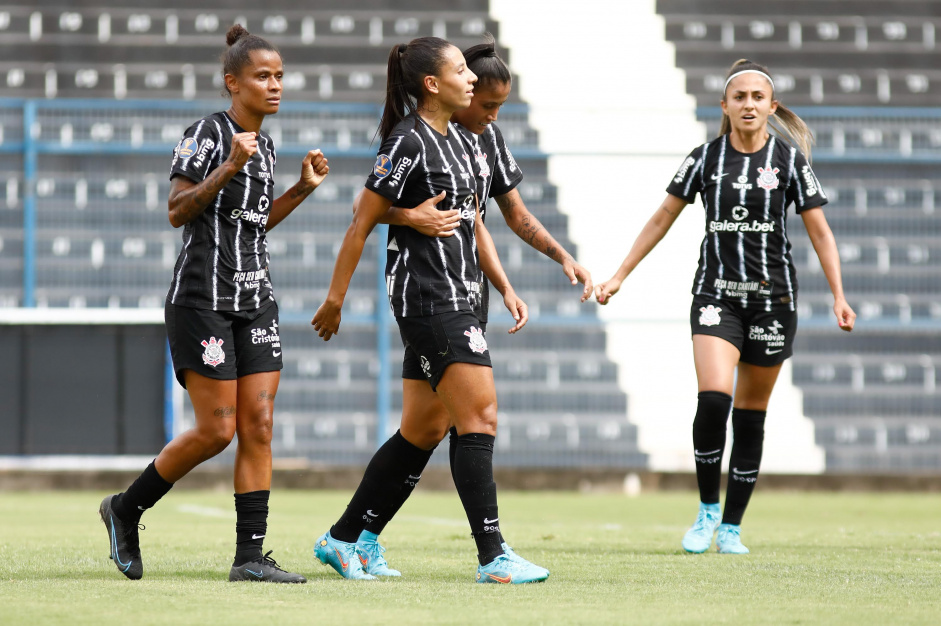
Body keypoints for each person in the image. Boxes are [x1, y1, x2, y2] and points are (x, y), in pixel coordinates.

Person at [336, 37, 591, 580]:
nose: (479, 93)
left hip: (465, 295)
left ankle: (347, 539)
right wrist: (338, 296)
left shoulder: (469, 141)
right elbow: (366, 212)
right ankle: (493, 556)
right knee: (480, 415)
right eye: (465, 77)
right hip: (431, 298)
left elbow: (477, 220)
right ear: (438, 83)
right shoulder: (411, 140)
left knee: (422, 430)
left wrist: (510, 282)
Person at [595, 59, 856, 554]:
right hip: (717, 296)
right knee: (714, 398)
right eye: (740, 97)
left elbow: (820, 231)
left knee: (751, 415)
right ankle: (706, 509)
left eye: (758, 97)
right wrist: (619, 275)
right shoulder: (704, 159)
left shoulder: (789, 162)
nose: (749, 104)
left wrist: (839, 295)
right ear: (725, 106)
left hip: (774, 301)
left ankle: (732, 527)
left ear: (771, 106)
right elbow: (660, 219)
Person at [98, 24, 329, 583]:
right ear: (233, 82)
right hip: (203, 300)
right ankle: (124, 508)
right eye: (262, 76)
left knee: (261, 425)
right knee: (217, 430)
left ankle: (249, 558)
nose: (274, 86)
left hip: (256, 298)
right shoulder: (208, 134)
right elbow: (178, 210)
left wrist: (299, 189)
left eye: (279, 77)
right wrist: (228, 164)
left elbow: (253, 223)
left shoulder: (267, 146)